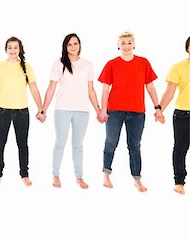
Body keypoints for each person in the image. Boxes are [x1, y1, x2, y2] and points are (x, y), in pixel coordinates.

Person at [97, 31, 160, 192]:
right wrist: (103, 110)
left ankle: (137, 179)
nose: (126, 46)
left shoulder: (143, 62)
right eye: (123, 43)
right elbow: (105, 90)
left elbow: (150, 87)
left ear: (134, 44)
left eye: (129, 42)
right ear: (118, 45)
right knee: (111, 142)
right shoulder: (111, 64)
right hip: (114, 111)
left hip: (137, 112)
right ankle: (106, 174)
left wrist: (157, 107)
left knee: (134, 146)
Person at [0, 36, 44, 186]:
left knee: (22, 144)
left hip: (22, 112)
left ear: (19, 49)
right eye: (10, 47)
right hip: (3, 111)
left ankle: (24, 174)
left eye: (15, 47)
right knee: (0, 143)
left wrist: (41, 109)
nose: (13, 50)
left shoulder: (27, 67)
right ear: (6, 49)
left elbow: (34, 89)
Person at [42, 34, 101, 189]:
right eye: (70, 44)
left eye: (75, 43)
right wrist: (43, 109)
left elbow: (91, 90)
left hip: (82, 110)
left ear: (80, 45)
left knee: (78, 145)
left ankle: (79, 177)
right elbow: (51, 89)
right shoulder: (58, 64)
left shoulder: (87, 64)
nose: (73, 47)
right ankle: (55, 175)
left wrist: (98, 110)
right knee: (60, 143)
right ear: (65, 47)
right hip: (62, 109)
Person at [155, 36, 190, 195]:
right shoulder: (178, 67)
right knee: (180, 149)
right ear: (187, 47)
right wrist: (159, 109)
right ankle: (179, 182)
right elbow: (169, 92)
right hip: (183, 115)